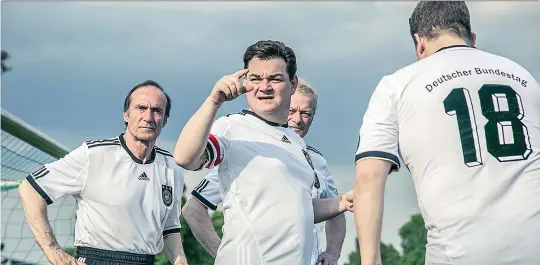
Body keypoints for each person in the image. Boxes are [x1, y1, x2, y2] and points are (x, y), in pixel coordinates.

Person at [353, 2, 540, 265]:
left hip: (461, 250)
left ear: (419, 43)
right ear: (471, 38)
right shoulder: (523, 76)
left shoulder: (397, 85)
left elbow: (368, 178)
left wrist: (370, 261)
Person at [173, 40, 353, 265]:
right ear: (245, 82)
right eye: (255, 79)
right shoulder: (233, 127)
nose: (264, 86)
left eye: (275, 79)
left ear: (293, 84)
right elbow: (184, 158)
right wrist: (213, 101)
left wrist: (343, 202)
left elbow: (299, 208)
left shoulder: (297, 144)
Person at [18, 80, 188, 265]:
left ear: (164, 120)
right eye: (141, 108)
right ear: (126, 115)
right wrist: (53, 250)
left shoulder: (172, 168)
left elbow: (169, 229)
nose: (148, 116)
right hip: (97, 259)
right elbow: (30, 189)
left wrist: (180, 261)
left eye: (157, 110)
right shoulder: (94, 154)